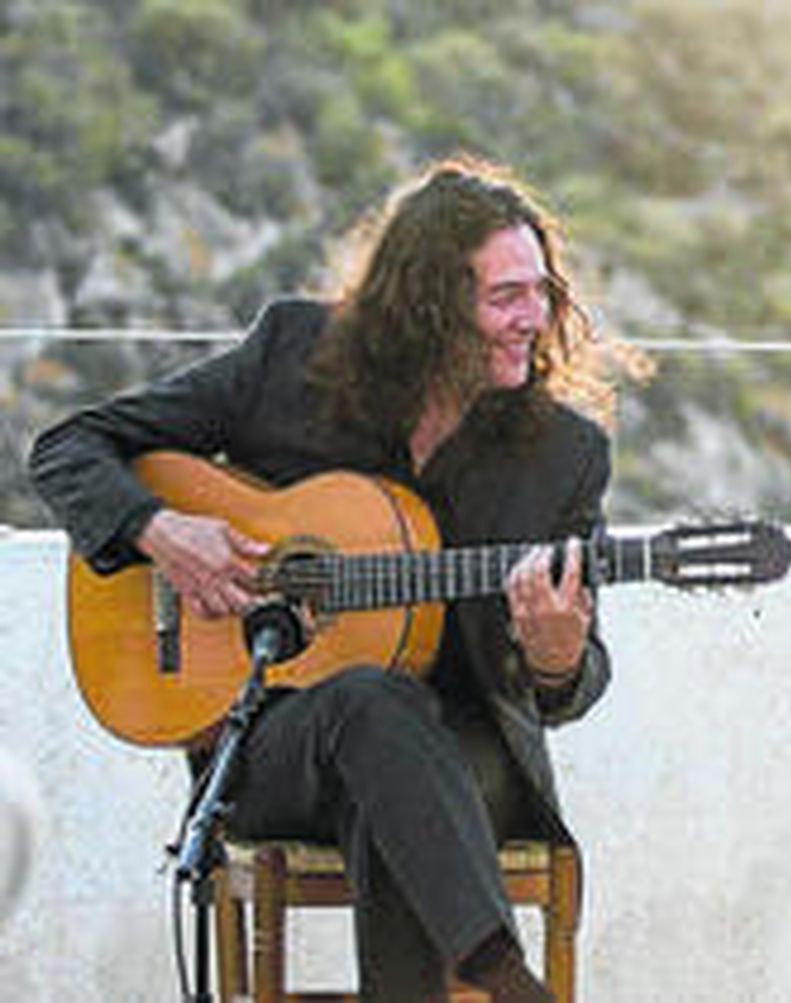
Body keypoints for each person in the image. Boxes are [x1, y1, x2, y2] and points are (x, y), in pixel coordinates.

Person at [29, 156, 615, 1002]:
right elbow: (67, 448)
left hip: (466, 762)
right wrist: (161, 530)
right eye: (505, 297)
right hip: (277, 744)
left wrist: (557, 656)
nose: (535, 319)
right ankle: (495, 973)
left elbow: (574, 681)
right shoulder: (293, 358)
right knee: (367, 701)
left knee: (394, 768)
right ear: (428, 306)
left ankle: (492, 970)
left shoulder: (563, 453)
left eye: (543, 294)